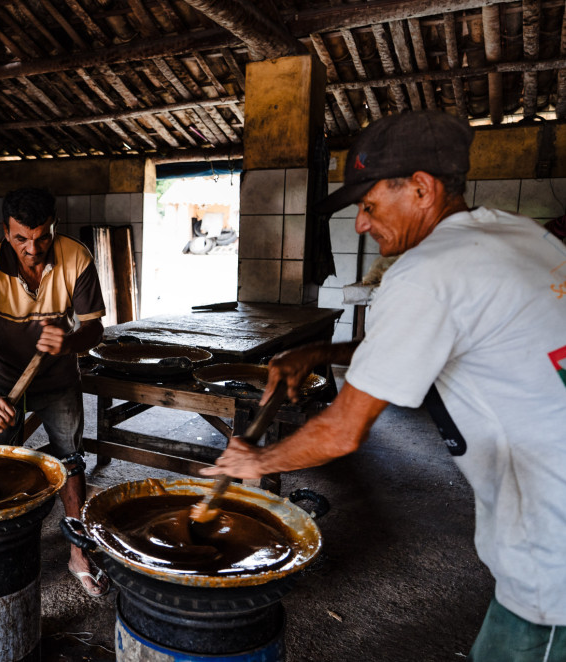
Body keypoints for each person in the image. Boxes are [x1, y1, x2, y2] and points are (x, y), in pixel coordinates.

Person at [201, 111, 566, 660]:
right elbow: (429, 346)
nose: (361, 225)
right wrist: (321, 352)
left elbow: (343, 432)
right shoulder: (517, 234)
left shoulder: (429, 272)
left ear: (421, 189)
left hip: (553, 550)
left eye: (369, 205)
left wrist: (254, 462)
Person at [0, 187, 109, 597]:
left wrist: (71, 343)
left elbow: (95, 327)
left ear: (52, 228)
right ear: (6, 232)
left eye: (41, 237)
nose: (33, 248)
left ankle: (78, 553)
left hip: (58, 376)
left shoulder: (76, 256)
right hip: (2, 379)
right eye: (21, 238)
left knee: (71, 460)